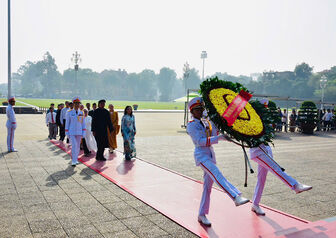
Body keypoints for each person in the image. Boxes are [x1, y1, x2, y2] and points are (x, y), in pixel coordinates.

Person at [186, 97, 249, 227]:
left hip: (210, 155)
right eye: (197, 109)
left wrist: (220, 126)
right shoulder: (191, 125)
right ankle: (235, 196)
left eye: (201, 109)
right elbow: (200, 141)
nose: (200, 111)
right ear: (192, 111)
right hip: (201, 156)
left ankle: (202, 214)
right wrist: (219, 138)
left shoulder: (205, 122)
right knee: (217, 173)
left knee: (207, 187)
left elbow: (214, 133)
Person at [249, 99, 312, 216]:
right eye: (263, 108)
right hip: (258, 152)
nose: (265, 110)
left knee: (261, 180)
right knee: (276, 168)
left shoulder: (264, 119)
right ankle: (295, 185)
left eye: (266, 108)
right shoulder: (251, 121)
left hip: (266, 150)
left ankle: (255, 204)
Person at [65, 97, 86, 166]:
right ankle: (73, 160)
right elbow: (67, 123)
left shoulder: (81, 112)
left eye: (78, 103)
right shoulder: (69, 112)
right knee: (74, 145)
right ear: (73, 104)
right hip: (72, 132)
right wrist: (66, 131)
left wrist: (84, 131)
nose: (77, 104)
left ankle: (76, 159)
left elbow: (83, 123)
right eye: (76, 103)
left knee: (77, 147)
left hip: (79, 132)